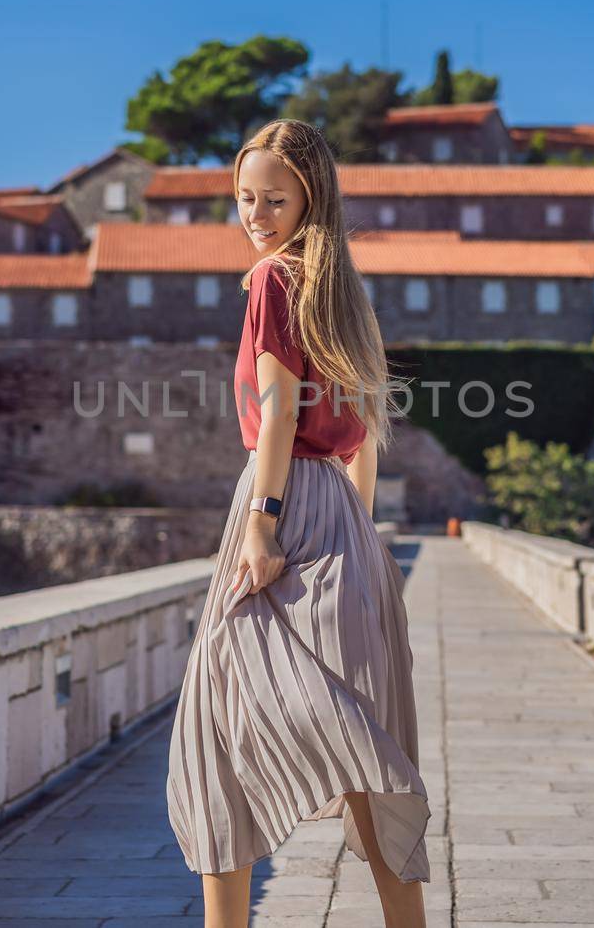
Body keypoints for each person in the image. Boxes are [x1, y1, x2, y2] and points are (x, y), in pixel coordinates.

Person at [164, 119, 429, 927]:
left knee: (213, 735)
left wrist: (263, 522)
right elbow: (369, 437)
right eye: (245, 197)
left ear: (311, 195)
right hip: (344, 520)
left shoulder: (276, 281)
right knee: (362, 752)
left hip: (282, 508)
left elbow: (277, 415)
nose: (256, 213)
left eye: (274, 198)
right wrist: (355, 531)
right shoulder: (346, 292)